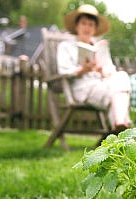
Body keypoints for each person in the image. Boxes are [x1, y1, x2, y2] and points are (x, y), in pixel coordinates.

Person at [57, 4, 132, 132]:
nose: (87, 27)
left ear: (95, 28)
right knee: (119, 96)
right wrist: (82, 70)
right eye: (84, 23)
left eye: (91, 24)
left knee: (122, 76)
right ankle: (122, 126)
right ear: (77, 26)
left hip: (103, 83)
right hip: (83, 88)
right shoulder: (65, 47)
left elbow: (111, 72)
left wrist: (100, 69)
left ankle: (119, 124)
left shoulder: (100, 48)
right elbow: (64, 71)